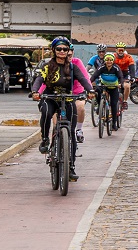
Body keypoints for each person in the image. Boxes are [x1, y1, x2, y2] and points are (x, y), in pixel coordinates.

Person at [31, 37, 94, 182]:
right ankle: (45, 139)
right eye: (59, 49)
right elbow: (39, 79)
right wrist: (35, 91)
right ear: (54, 50)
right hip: (50, 97)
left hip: (67, 99)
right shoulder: (47, 66)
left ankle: (70, 167)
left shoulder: (72, 67)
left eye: (65, 49)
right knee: (46, 112)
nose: (62, 51)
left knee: (70, 133)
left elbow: (83, 79)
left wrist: (90, 90)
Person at [90, 53, 124, 130]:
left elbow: (121, 77)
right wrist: (89, 83)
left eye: (111, 60)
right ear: (105, 61)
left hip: (114, 87)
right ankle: (100, 105)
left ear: (113, 61)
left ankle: (114, 123)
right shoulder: (101, 67)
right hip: (104, 86)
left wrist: (121, 84)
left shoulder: (116, 68)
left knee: (113, 104)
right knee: (97, 90)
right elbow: (94, 76)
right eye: (107, 60)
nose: (109, 61)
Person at [113, 42, 135, 110]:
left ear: (124, 50)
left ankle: (125, 101)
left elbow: (132, 67)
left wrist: (132, 77)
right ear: (116, 50)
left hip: (125, 74)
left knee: (127, 86)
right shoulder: (113, 57)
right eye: (119, 50)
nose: (120, 52)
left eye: (122, 50)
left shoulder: (128, 57)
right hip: (115, 74)